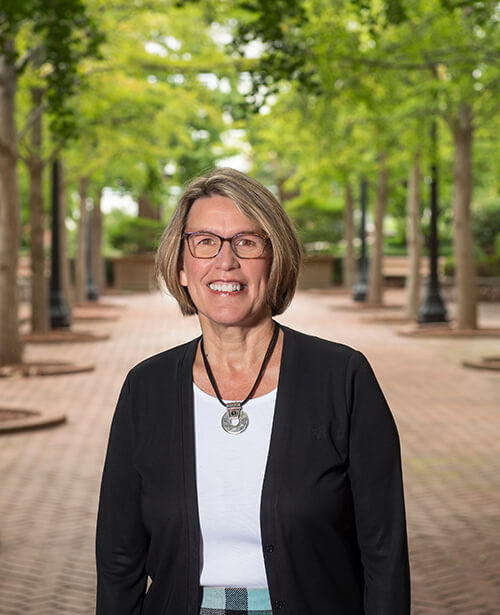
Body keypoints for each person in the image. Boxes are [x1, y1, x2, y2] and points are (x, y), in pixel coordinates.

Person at [95, 167, 410, 615]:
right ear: (182, 268)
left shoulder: (343, 378)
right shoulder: (146, 388)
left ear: (274, 258)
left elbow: (384, 552)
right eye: (205, 242)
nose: (226, 262)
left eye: (247, 241)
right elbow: (118, 559)